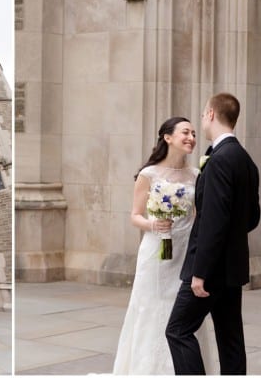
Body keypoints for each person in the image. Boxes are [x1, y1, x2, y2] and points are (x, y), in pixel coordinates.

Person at [113, 117, 216, 374]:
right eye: (185, 132)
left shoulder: (196, 174)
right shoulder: (148, 174)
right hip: (156, 251)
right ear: (167, 137)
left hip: (185, 251)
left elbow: (196, 214)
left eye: (193, 133)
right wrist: (153, 225)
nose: (191, 137)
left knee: (182, 312)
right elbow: (135, 215)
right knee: (151, 308)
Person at [166, 93, 260, 375]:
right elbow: (253, 216)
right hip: (232, 268)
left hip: (211, 269)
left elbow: (214, 221)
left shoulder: (219, 160)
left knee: (178, 331)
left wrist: (201, 271)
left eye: (203, 114)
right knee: (230, 339)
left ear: (210, 115)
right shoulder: (245, 159)